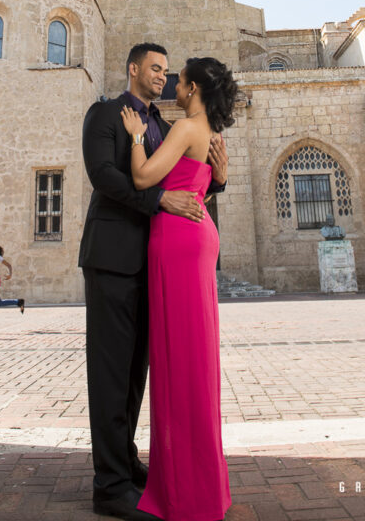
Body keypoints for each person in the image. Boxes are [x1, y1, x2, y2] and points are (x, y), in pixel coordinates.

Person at [79, 43, 228, 521]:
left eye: (168, 70)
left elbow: (184, 179)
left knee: (136, 376)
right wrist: (158, 202)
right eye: (156, 68)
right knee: (109, 375)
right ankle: (110, 486)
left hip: (157, 264)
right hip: (113, 258)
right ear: (134, 69)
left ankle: (128, 464)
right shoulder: (104, 113)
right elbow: (104, 176)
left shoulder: (166, 124)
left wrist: (217, 182)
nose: (163, 76)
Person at [121, 56, 237, 521]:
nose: (173, 83)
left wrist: (134, 138)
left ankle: (185, 490)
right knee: (196, 355)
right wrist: (221, 179)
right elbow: (201, 189)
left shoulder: (188, 128)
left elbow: (144, 178)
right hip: (200, 234)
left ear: (193, 89)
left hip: (177, 240)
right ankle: (205, 483)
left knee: (177, 359)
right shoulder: (212, 134)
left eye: (180, 80)